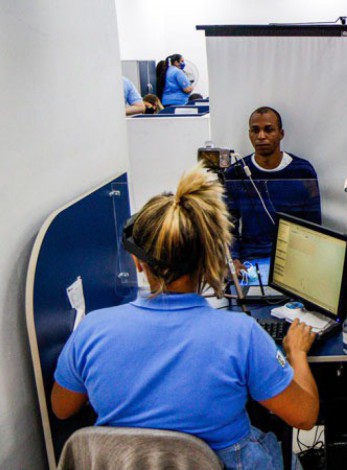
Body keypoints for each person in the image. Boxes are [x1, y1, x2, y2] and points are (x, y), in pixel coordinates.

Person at [51, 163, 319, 469]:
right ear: (207, 260)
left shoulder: (92, 330)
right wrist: (297, 354)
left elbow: (62, 408)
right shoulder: (240, 334)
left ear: (138, 262)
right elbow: (305, 417)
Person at [224, 107, 321, 275]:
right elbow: (228, 227)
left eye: (269, 130)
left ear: (281, 134)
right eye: (255, 130)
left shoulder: (302, 171)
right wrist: (234, 260)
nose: (261, 136)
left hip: (293, 261)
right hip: (250, 262)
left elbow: (313, 227)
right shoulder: (236, 173)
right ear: (249, 134)